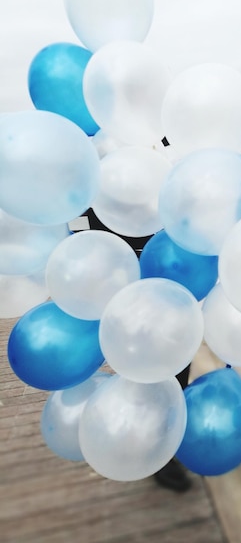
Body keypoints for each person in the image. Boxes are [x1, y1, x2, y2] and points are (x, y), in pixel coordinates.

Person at [72, 207, 192, 493]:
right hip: (116, 288)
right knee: (135, 367)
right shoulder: (95, 182)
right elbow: (80, 233)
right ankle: (138, 439)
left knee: (174, 364)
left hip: (168, 282)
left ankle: (164, 447)